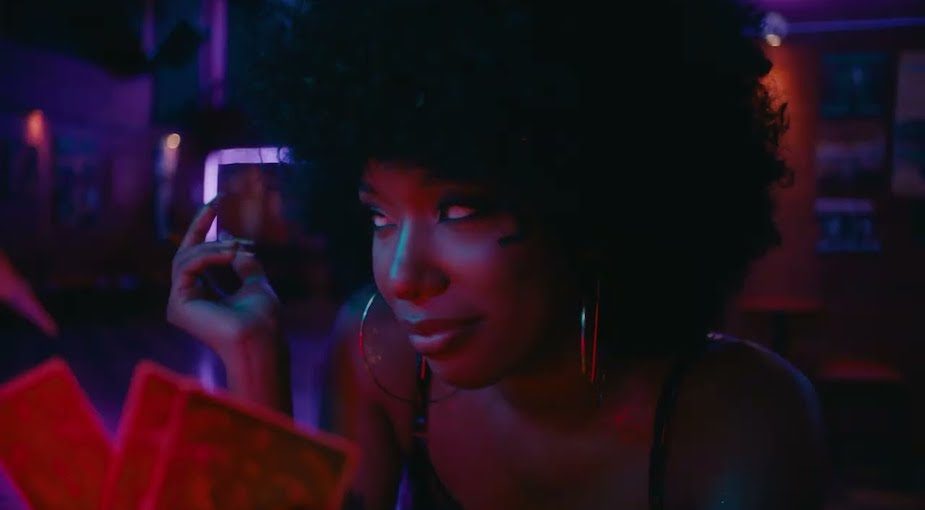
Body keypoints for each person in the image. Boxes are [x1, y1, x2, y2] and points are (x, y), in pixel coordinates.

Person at [167, 0, 827, 508]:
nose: (402, 276)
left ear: (591, 197)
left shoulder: (738, 418)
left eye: (460, 212)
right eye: (380, 216)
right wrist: (254, 363)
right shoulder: (378, 351)